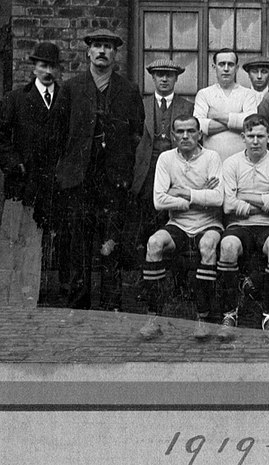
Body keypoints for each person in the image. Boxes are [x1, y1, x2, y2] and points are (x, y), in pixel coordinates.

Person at [55, 29, 144, 311]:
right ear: (88, 53)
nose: (102, 51)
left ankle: (111, 305)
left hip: (113, 181)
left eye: (108, 46)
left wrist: (124, 171)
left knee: (110, 244)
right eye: (97, 46)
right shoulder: (71, 88)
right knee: (78, 244)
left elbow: (136, 133)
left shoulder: (128, 90)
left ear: (115, 54)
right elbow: (57, 133)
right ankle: (78, 305)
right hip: (79, 180)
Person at [138, 115, 224, 340]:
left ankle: (202, 318)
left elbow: (217, 199)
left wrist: (181, 191)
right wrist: (198, 195)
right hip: (177, 224)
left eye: (191, 131)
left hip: (209, 224)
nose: (186, 136)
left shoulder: (212, 157)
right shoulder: (166, 159)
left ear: (200, 134)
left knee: (207, 245)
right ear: (173, 136)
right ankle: (153, 316)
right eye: (180, 132)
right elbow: (159, 201)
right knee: (154, 243)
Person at [0, 42, 65, 303]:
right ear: (34, 67)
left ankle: (49, 295)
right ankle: (15, 296)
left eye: (52, 66)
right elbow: (1, 138)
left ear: (58, 69)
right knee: (18, 239)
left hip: (55, 183)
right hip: (24, 183)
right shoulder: (16, 99)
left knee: (53, 241)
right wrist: (15, 163)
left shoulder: (65, 98)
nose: (47, 71)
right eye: (42, 65)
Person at [218, 114, 269, 331]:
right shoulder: (231, 163)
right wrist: (265, 200)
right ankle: (229, 313)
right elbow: (228, 205)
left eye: (260, 136)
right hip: (240, 225)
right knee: (228, 247)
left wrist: (244, 195)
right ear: (243, 137)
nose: (256, 141)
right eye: (251, 136)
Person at [131, 59, 194, 257]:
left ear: (176, 78)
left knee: (174, 217)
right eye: (160, 74)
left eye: (169, 75)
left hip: (177, 169)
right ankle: (149, 266)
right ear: (153, 77)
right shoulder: (141, 105)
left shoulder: (187, 107)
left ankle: (174, 271)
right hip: (147, 170)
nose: (164, 79)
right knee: (147, 217)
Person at [194, 48, 257, 162]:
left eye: (230, 64)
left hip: (242, 161)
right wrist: (237, 121)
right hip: (211, 161)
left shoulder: (248, 94)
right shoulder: (204, 94)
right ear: (214, 67)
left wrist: (216, 116)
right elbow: (199, 126)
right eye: (222, 64)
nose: (226, 69)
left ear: (237, 68)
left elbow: (251, 124)